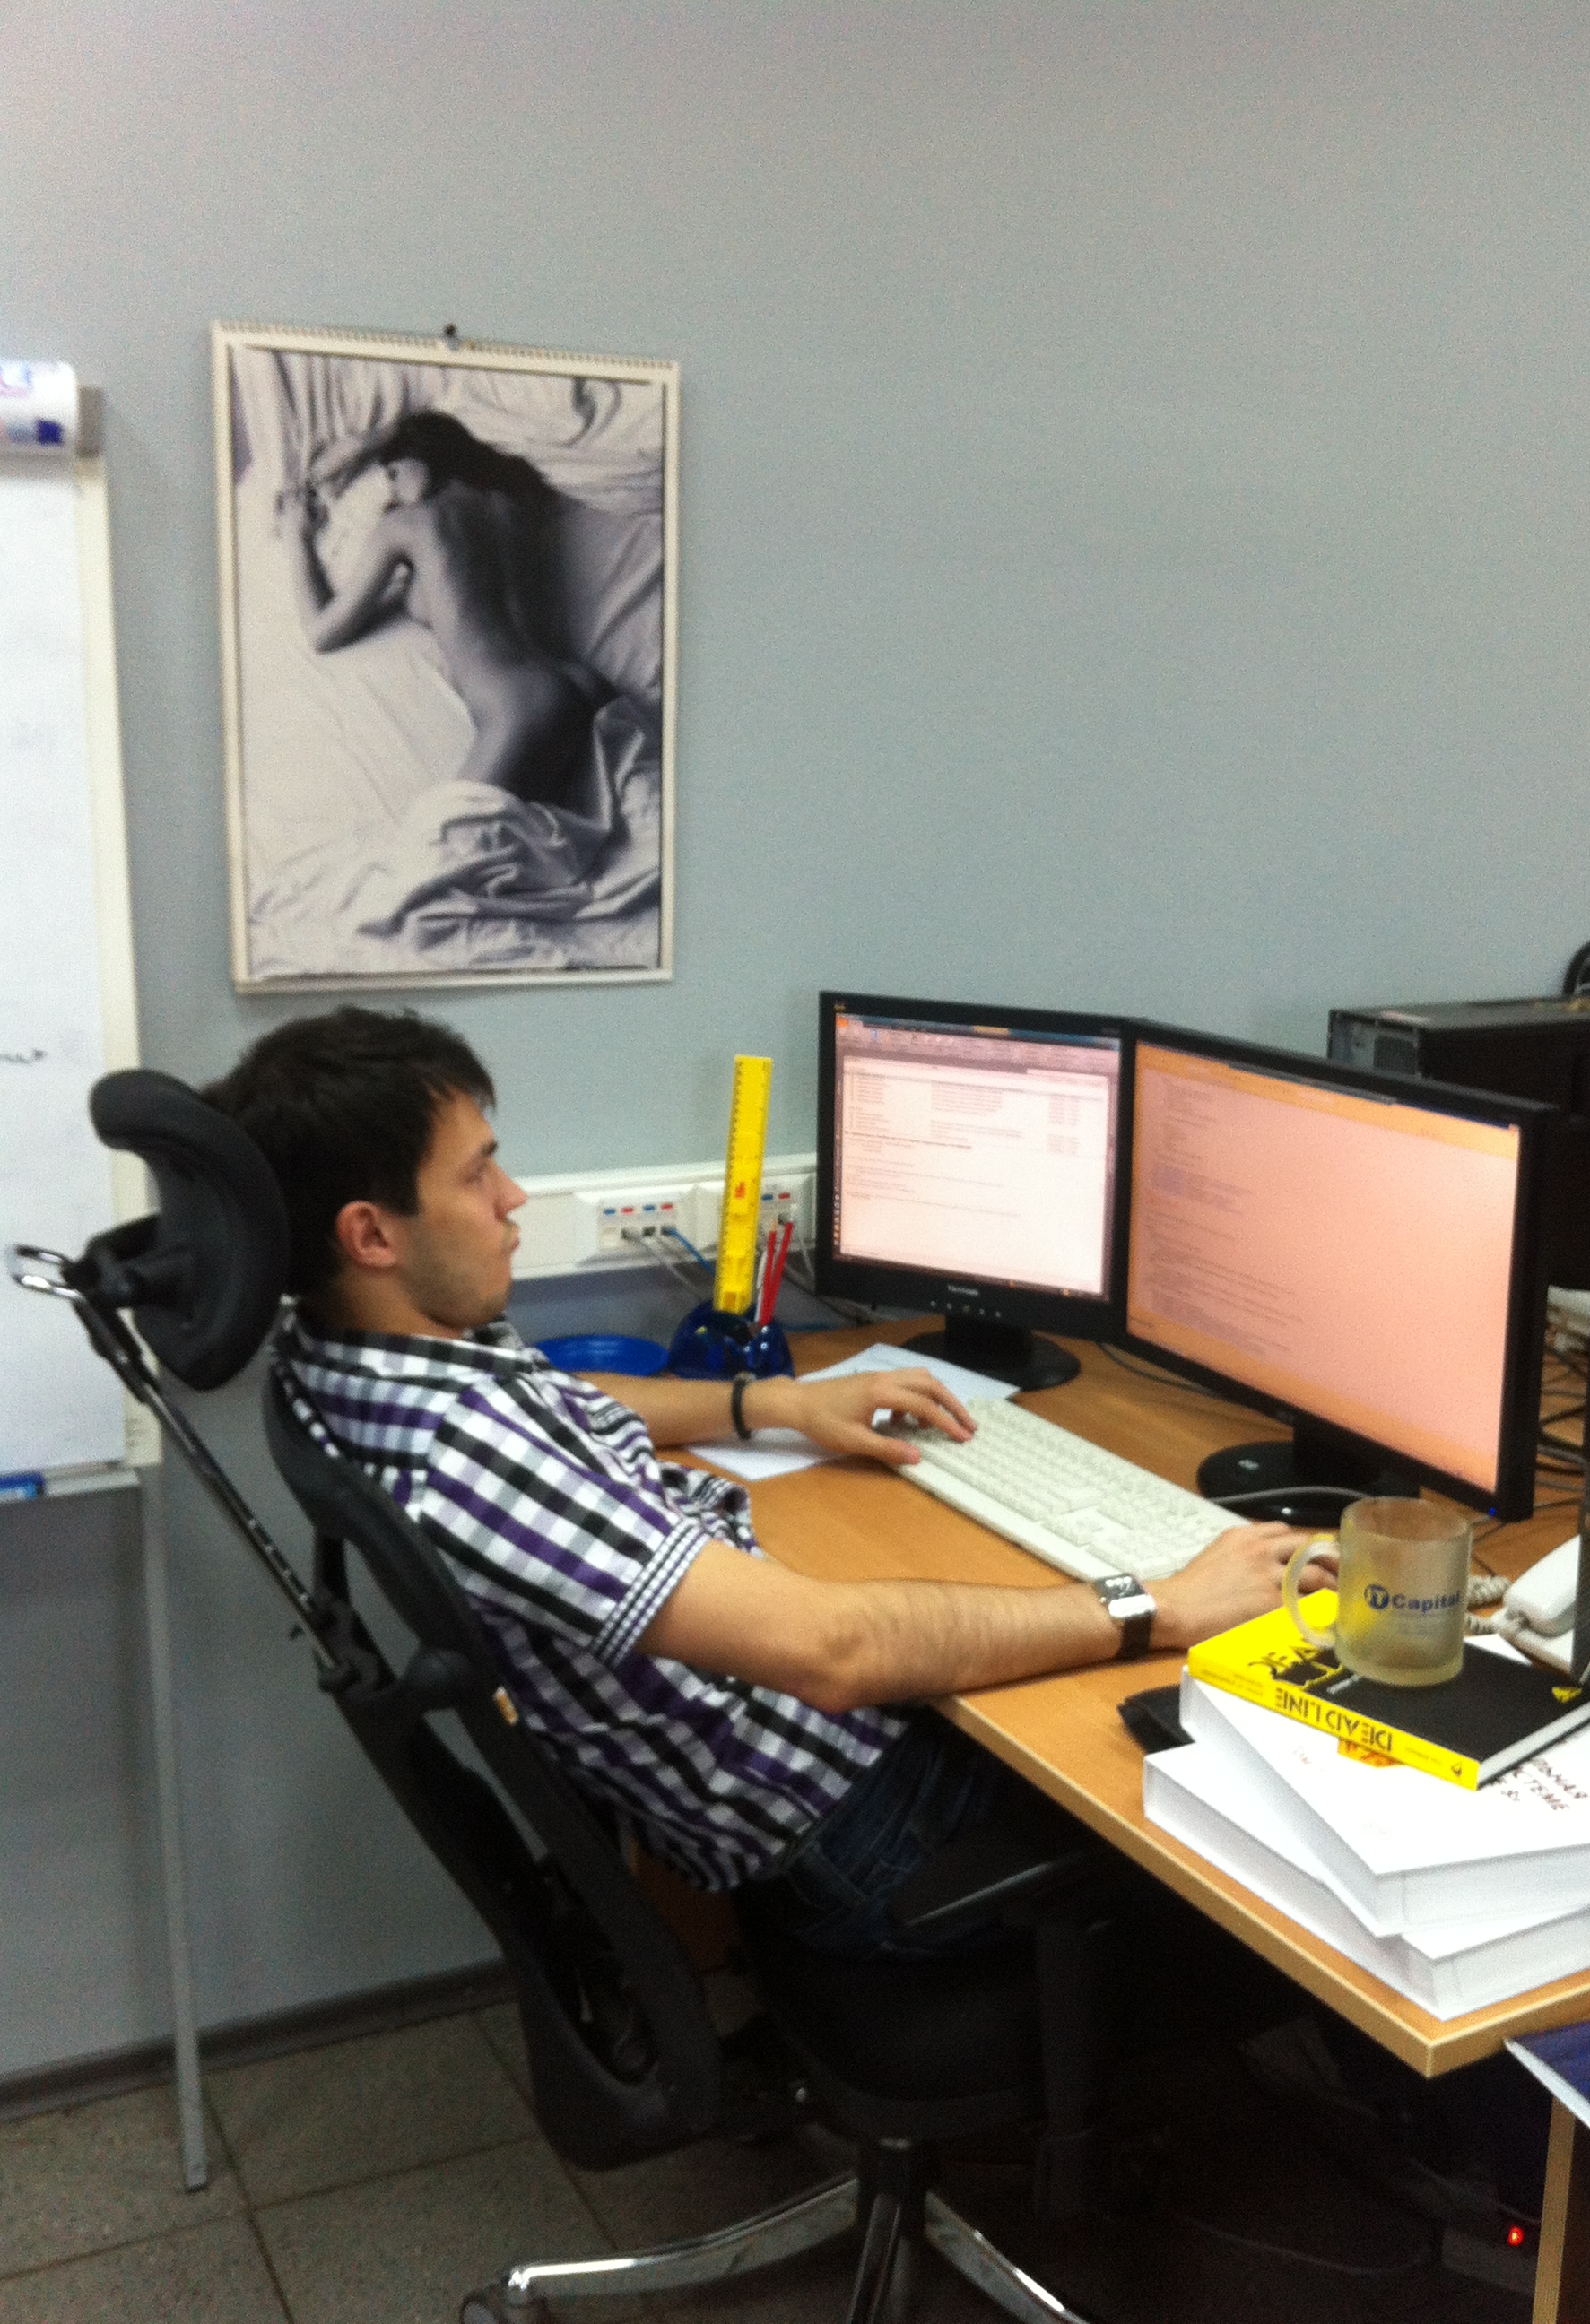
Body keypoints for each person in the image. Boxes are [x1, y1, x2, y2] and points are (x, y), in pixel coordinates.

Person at [204, 1006, 1330, 1957]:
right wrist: (1155, 1603)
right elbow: (833, 1653)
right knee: (1278, 1764)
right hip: (859, 1827)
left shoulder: (345, 1358)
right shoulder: (469, 1452)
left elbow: (562, 1400)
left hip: (764, 1771)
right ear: (372, 1234)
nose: (513, 1197)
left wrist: (770, 1405)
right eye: (475, 1172)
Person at [285, 410, 617, 821]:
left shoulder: (408, 524)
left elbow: (322, 632)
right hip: (586, 687)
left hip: (521, 705)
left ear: (425, 455)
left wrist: (297, 536)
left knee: (447, 846)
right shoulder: (516, 502)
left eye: (393, 472)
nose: (390, 489)